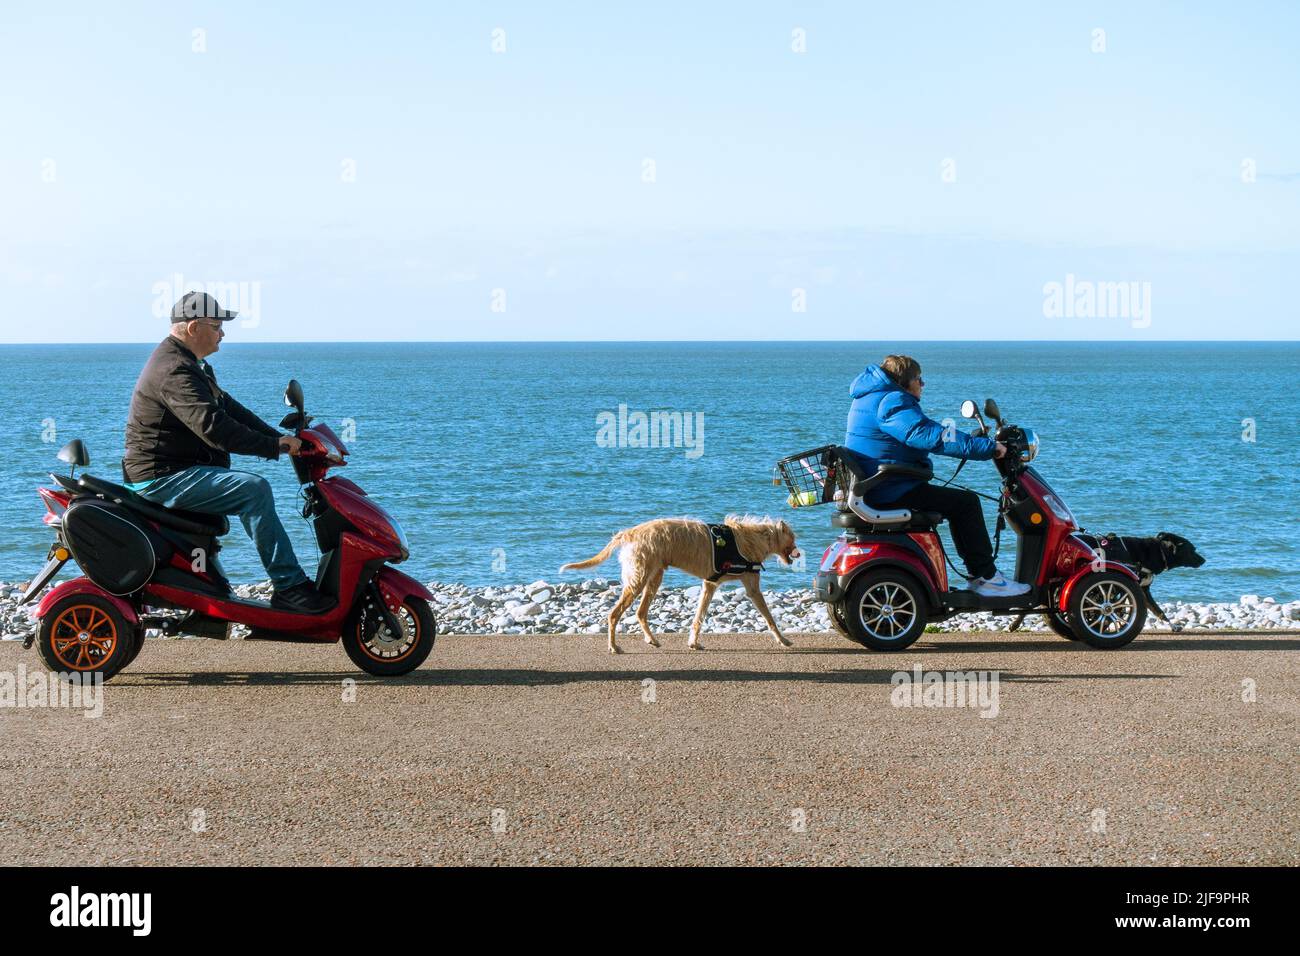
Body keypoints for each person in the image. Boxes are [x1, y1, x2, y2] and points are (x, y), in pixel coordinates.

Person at [120, 290, 332, 612]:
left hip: (176, 470)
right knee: (253, 490)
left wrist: (281, 440)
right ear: (193, 328)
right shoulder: (175, 369)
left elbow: (228, 408)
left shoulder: (193, 364)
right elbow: (213, 427)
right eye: (217, 325)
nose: (223, 333)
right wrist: (273, 446)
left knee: (248, 488)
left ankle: (227, 587)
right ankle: (290, 587)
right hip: (161, 477)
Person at [843, 354, 1030, 597]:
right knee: (966, 504)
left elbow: (930, 429)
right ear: (905, 380)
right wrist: (988, 448)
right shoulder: (891, 401)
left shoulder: (869, 397)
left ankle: (979, 577)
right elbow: (930, 436)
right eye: (919, 379)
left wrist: (969, 439)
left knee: (958, 502)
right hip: (891, 488)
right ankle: (986, 578)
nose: (923, 384)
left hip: (881, 484)